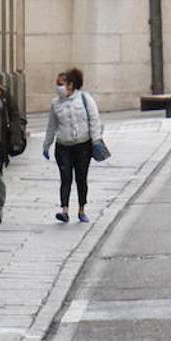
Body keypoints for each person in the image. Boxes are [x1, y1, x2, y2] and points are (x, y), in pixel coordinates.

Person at [42, 67, 102, 224]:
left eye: (62, 84)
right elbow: (51, 126)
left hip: (82, 145)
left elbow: (94, 119)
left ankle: (82, 208)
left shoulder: (84, 98)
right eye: (57, 84)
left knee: (81, 178)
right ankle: (64, 210)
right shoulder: (55, 103)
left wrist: (96, 140)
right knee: (65, 177)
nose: (59, 87)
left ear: (71, 84)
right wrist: (46, 145)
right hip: (63, 146)